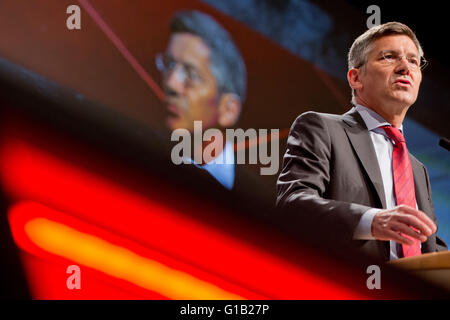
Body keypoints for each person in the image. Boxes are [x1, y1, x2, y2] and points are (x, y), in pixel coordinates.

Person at [277, 22, 447, 261]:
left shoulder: (418, 169)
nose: (405, 68)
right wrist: (373, 221)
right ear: (356, 78)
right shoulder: (322, 128)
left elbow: (430, 249)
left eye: (413, 61)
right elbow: (293, 205)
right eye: (389, 57)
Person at [156, 10, 246, 190]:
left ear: (228, 110)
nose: (172, 83)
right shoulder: (133, 152)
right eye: (170, 64)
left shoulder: (254, 201)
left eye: (191, 74)